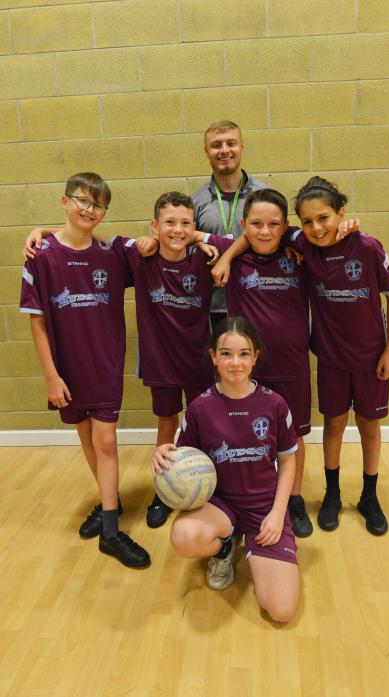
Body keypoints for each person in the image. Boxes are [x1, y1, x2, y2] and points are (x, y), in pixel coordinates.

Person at [23, 192, 220, 532]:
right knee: (166, 424)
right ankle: (164, 489)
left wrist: (200, 238)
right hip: (162, 362)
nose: (177, 230)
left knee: (207, 424)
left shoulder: (205, 258)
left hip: (200, 360)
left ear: (194, 227)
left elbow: (243, 240)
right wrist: (43, 230)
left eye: (185, 223)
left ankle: (210, 488)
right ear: (155, 226)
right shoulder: (138, 256)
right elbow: (86, 234)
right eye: (169, 223)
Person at [19, 172, 150, 568]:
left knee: (106, 441)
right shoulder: (41, 256)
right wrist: (50, 376)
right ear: (64, 201)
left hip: (105, 363)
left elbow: (153, 249)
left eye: (98, 205)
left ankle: (110, 530)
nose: (89, 209)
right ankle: (111, 500)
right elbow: (37, 320)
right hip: (66, 369)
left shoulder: (110, 255)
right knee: (86, 437)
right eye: (82, 200)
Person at [152, 316, 300, 624]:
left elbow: (288, 461)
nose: (235, 362)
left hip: (263, 506)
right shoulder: (200, 408)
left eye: (244, 353)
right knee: (183, 536)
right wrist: (162, 455)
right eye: (226, 353)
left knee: (282, 611)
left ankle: (257, 543)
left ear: (256, 356)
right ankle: (224, 550)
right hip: (220, 504)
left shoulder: (275, 405)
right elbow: (181, 458)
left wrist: (277, 513)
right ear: (213, 357)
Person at [193, 188, 313, 538]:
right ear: (243, 225)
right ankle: (242, 498)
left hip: (292, 364)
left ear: (285, 226)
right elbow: (188, 232)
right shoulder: (233, 251)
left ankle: (294, 499)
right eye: (256, 224)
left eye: (273, 224)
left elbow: (328, 234)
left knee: (296, 436)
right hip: (246, 369)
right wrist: (226, 255)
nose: (264, 231)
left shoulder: (298, 250)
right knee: (246, 434)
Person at [292, 176, 389, 535]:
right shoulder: (305, 247)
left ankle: (369, 497)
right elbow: (270, 233)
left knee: (370, 427)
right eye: (307, 221)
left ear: (341, 213)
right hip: (331, 359)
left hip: (371, 360)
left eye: (323, 217)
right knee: (334, 426)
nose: (316, 227)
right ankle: (333, 494)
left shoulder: (367, 247)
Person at [193, 120, 266, 326]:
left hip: (257, 300)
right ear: (206, 151)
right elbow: (185, 243)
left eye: (231, 143)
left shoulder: (265, 196)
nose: (224, 150)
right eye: (216, 145)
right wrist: (197, 242)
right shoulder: (195, 202)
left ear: (241, 146)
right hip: (214, 306)